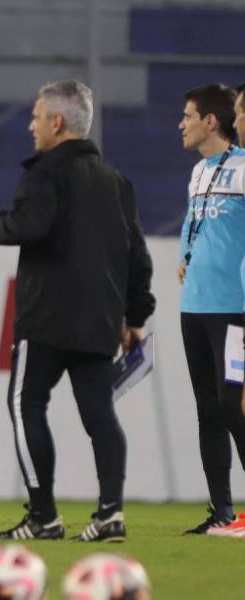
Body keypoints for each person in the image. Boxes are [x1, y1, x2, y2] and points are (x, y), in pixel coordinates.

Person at [0, 80, 155, 542]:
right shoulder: (116, 181)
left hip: (47, 317)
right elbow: (138, 257)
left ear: (57, 121)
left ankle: (44, 515)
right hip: (100, 318)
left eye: (35, 117)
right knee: (99, 413)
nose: (30, 126)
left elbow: (32, 225)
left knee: (26, 402)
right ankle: (110, 513)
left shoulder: (44, 173)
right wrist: (135, 318)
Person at [175, 83, 245, 535]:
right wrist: (184, 256)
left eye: (187, 115)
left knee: (234, 405)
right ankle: (221, 511)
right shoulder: (199, 172)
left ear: (210, 121)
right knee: (208, 410)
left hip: (233, 308)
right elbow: (192, 222)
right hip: (194, 306)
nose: (181, 124)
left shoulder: (243, 168)